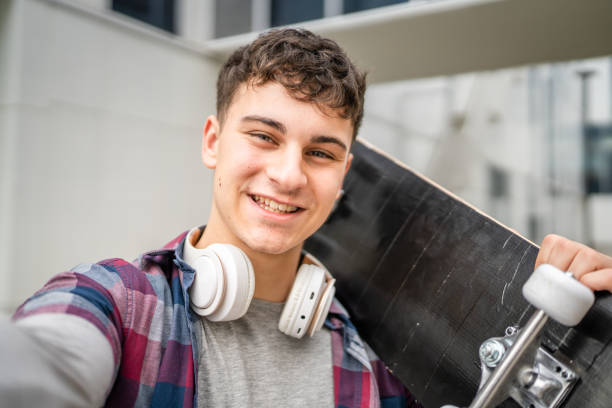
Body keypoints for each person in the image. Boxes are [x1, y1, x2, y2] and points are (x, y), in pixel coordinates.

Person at [1, 27, 612, 408]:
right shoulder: (112, 304)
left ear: (343, 174)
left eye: (320, 152)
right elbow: (45, 363)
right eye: (264, 136)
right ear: (213, 142)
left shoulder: (370, 373)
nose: (290, 174)